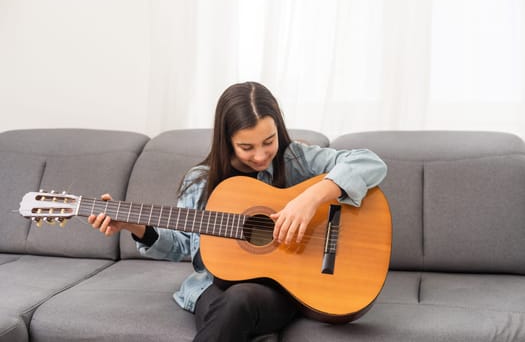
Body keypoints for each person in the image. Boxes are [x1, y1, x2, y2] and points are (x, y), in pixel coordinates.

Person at [88, 81, 387, 341]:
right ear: (227, 141)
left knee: (239, 302)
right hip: (214, 288)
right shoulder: (200, 181)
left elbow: (369, 162)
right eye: (247, 147)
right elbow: (182, 244)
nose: (260, 155)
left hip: (279, 289)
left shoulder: (295, 158)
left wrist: (309, 199)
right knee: (229, 307)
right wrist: (134, 226)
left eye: (269, 141)